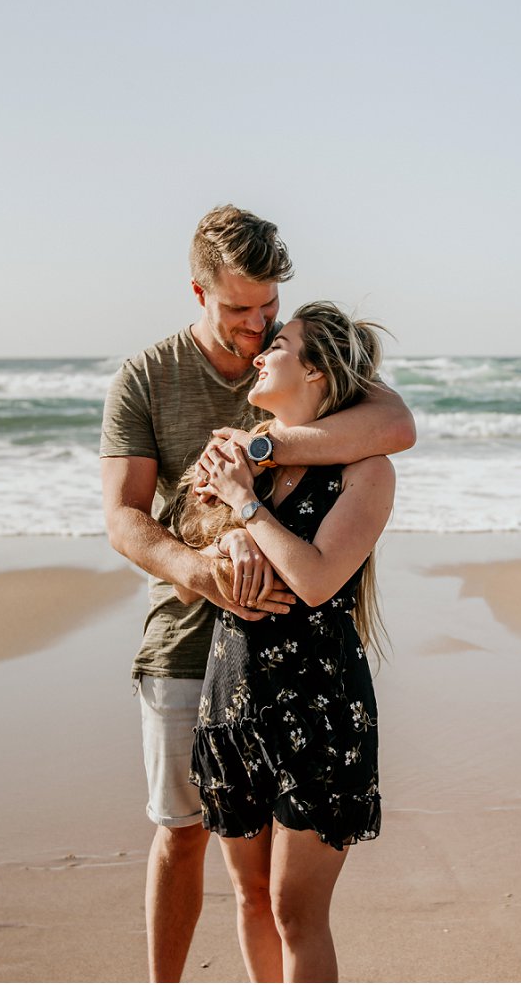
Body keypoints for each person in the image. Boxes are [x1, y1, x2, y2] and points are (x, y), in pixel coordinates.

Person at [100, 204, 415, 983]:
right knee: (184, 832)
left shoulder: (291, 364)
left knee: (288, 898)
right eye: (239, 308)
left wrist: (256, 455)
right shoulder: (148, 376)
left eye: (269, 306)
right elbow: (126, 519)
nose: (256, 325)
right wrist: (206, 562)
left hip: (299, 664)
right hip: (191, 641)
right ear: (199, 293)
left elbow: (392, 424)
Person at [174, 302, 394, 984]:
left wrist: (247, 509)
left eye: (280, 344)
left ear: (317, 371)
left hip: (318, 708)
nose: (261, 353)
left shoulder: (366, 471)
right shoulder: (241, 455)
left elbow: (318, 579)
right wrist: (226, 542)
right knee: (250, 899)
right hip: (233, 702)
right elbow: (187, 571)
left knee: (295, 912)